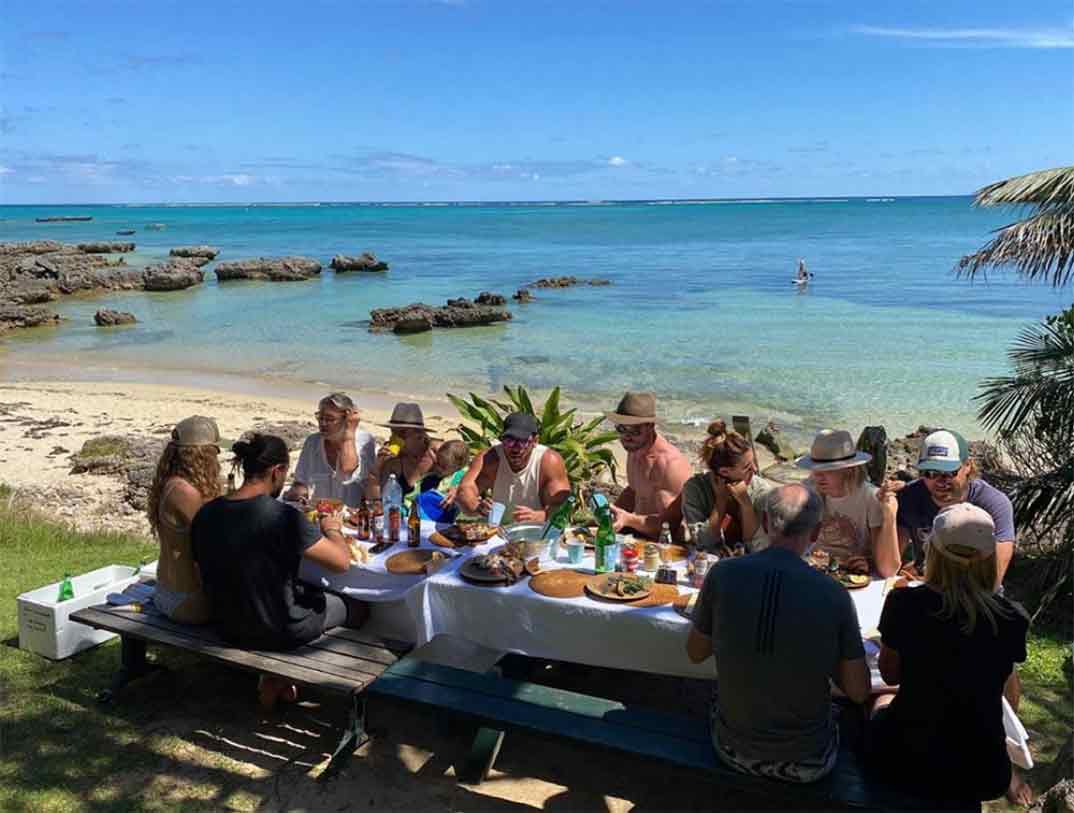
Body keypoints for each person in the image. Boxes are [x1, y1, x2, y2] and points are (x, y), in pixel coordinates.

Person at [687, 484, 870, 783]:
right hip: (807, 761)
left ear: (766, 521)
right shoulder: (834, 594)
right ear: (815, 533)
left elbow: (695, 653)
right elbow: (859, 691)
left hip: (733, 748)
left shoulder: (723, 574)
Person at [867, 503, 1029, 804]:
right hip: (982, 765)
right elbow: (1009, 694)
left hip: (907, 755)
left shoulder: (905, 603)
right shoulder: (1011, 618)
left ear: (934, 553)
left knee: (880, 699)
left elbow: (890, 673)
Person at [192, 433, 367, 707]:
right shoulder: (281, 517)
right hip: (280, 628)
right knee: (357, 607)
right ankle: (285, 675)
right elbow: (341, 563)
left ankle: (278, 678)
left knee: (305, 592)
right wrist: (332, 529)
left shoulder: (207, 513)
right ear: (277, 471)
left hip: (226, 623)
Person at [894, 429, 1015, 588]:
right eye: (930, 473)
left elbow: (992, 580)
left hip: (979, 596)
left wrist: (933, 584)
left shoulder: (994, 504)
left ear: (967, 467)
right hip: (925, 587)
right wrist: (888, 511)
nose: (940, 481)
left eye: (949, 473)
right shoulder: (910, 496)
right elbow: (889, 567)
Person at [145, 415, 222, 624]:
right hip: (187, 602)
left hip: (167, 590)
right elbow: (218, 540)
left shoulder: (172, 483)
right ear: (204, 455)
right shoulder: (185, 492)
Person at [797, 429, 901, 578]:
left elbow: (888, 570)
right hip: (816, 570)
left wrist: (890, 516)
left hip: (853, 575)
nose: (818, 475)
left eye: (828, 469)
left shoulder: (870, 498)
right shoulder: (806, 491)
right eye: (815, 468)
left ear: (848, 469)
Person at [663, 420, 776, 550]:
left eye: (754, 463)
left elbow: (759, 548)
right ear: (724, 471)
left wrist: (746, 505)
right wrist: (720, 502)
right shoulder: (696, 489)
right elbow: (703, 542)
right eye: (747, 467)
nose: (755, 469)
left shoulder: (761, 491)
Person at [452, 412, 571, 523]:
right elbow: (465, 490)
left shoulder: (549, 462)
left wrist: (542, 515)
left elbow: (562, 505)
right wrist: (477, 507)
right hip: (496, 530)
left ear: (535, 441)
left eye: (522, 441)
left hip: (536, 531)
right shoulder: (490, 459)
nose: (515, 448)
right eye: (509, 440)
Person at [605, 392, 691, 538]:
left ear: (650, 426)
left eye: (634, 430)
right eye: (621, 428)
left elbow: (671, 526)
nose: (627, 436)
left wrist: (628, 519)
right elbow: (633, 491)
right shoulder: (635, 449)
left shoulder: (670, 465)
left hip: (666, 544)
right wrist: (610, 515)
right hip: (639, 535)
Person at [284, 392, 376, 507]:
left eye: (329, 419)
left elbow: (347, 470)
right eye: (320, 417)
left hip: (352, 517)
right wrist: (298, 493)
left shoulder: (364, 440)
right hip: (318, 514)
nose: (322, 423)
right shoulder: (312, 442)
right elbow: (300, 482)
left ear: (346, 420)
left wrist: (349, 432)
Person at [374, 403, 438, 507]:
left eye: (402, 433)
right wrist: (377, 468)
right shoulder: (393, 464)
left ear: (420, 434)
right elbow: (379, 503)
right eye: (393, 433)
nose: (395, 438)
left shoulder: (437, 455)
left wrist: (456, 488)